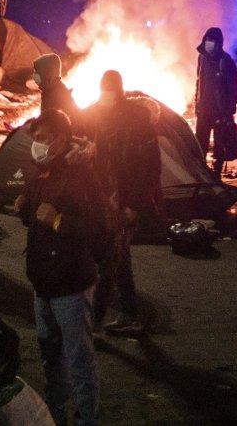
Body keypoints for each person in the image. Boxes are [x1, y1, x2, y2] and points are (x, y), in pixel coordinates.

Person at [17, 109, 104, 426]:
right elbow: (35, 218)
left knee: (79, 361)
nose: (36, 145)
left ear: (61, 139)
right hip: (43, 285)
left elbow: (99, 226)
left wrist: (58, 220)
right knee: (51, 358)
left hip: (70, 285)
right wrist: (24, 210)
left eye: (42, 138)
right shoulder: (42, 171)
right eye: (35, 139)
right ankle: (54, 416)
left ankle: (87, 419)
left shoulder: (81, 175)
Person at [77, 69, 160, 336]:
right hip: (102, 199)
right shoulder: (96, 116)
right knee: (117, 259)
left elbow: (149, 168)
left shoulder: (136, 121)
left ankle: (95, 322)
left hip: (124, 201)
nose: (106, 96)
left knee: (111, 260)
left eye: (110, 90)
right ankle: (128, 315)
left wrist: (134, 204)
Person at [193, 27, 237, 177]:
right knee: (200, 144)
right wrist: (197, 104)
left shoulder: (226, 61)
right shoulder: (202, 58)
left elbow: (233, 88)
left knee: (220, 144)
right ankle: (201, 171)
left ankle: (216, 172)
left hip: (220, 111)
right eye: (207, 39)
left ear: (219, 42)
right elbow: (198, 82)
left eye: (212, 40)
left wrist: (229, 111)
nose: (208, 43)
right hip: (203, 110)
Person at [32, 53, 77, 117]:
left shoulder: (56, 97)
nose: (34, 75)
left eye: (37, 72)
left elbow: (50, 123)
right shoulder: (50, 90)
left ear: (46, 74)